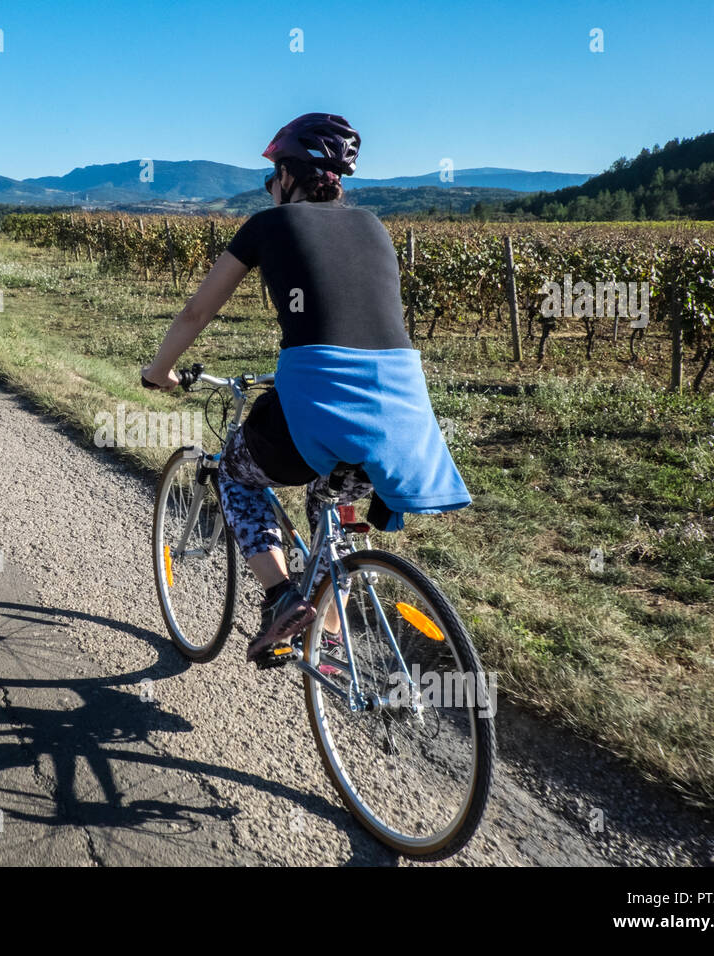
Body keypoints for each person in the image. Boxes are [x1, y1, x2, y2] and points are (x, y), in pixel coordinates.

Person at [141, 113, 471, 666]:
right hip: (402, 412)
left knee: (234, 474)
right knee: (330, 500)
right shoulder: (375, 226)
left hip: (314, 405)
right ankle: (331, 630)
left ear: (289, 176)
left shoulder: (267, 225)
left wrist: (160, 371)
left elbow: (198, 310)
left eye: (271, 176)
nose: (269, 187)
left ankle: (281, 598)